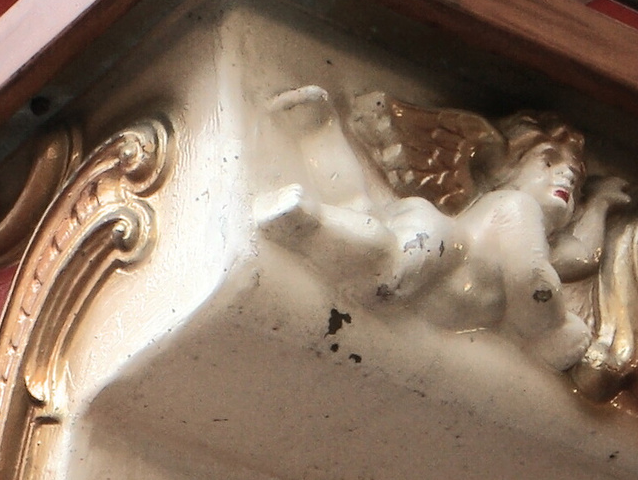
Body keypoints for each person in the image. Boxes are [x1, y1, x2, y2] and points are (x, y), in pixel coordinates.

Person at [260, 90, 629, 372]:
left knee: (363, 215)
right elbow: (531, 278)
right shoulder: (519, 207)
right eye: (548, 162)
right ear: (505, 170)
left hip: (434, 241)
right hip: (446, 251)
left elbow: (582, 254)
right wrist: (553, 331)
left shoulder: (543, 237)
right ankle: (310, 226)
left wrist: (599, 203)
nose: (566, 175)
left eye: (577, 178)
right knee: (383, 266)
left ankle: (317, 136)